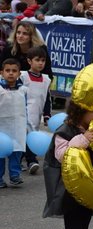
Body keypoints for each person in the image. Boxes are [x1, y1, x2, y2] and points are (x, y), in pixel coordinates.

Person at [42, 100, 93, 229]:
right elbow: (61, 155)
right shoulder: (64, 130)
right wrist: (83, 139)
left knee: (83, 227)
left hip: (88, 188)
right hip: (70, 192)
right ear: (81, 111)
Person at [0, 21, 53, 171]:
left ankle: (25, 158)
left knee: (30, 128)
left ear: (31, 36)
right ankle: (28, 159)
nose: (20, 36)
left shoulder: (40, 51)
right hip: (13, 93)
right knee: (19, 128)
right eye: (18, 32)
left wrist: (46, 110)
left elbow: (48, 75)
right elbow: (2, 70)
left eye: (25, 33)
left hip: (34, 94)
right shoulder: (9, 49)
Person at [20, 46, 51, 175]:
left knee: (28, 138)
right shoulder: (23, 76)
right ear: (29, 61)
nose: (40, 63)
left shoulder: (46, 79)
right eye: (37, 60)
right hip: (23, 113)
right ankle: (31, 161)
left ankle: (20, 159)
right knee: (27, 136)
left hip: (36, 114)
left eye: (43, 60)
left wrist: (47, 115)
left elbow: (47, 98)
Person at [0, 58, 27, 188]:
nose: (11, 73)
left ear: (19, 74)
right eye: (7, 70)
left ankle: (15, 175)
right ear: (1, 73)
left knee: (16, 151)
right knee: (0, 153)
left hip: (18, 126)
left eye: (14, 71)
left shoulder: (23, 90)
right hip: (2, 126)